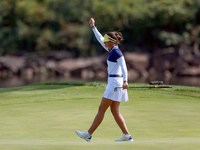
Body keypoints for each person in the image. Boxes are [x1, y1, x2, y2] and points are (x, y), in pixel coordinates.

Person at [75, 18, 133, 142]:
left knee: (102, 109)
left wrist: (125, 81)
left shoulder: (116, 52)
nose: (104, 43)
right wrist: (93, 27)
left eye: (106, 41)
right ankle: (127, 135)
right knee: (114, 110)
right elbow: (100, 39)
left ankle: (88, 134)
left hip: (115, 83)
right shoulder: (111, 49)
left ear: (112, 42)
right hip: (116, 82)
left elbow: (124, 65)